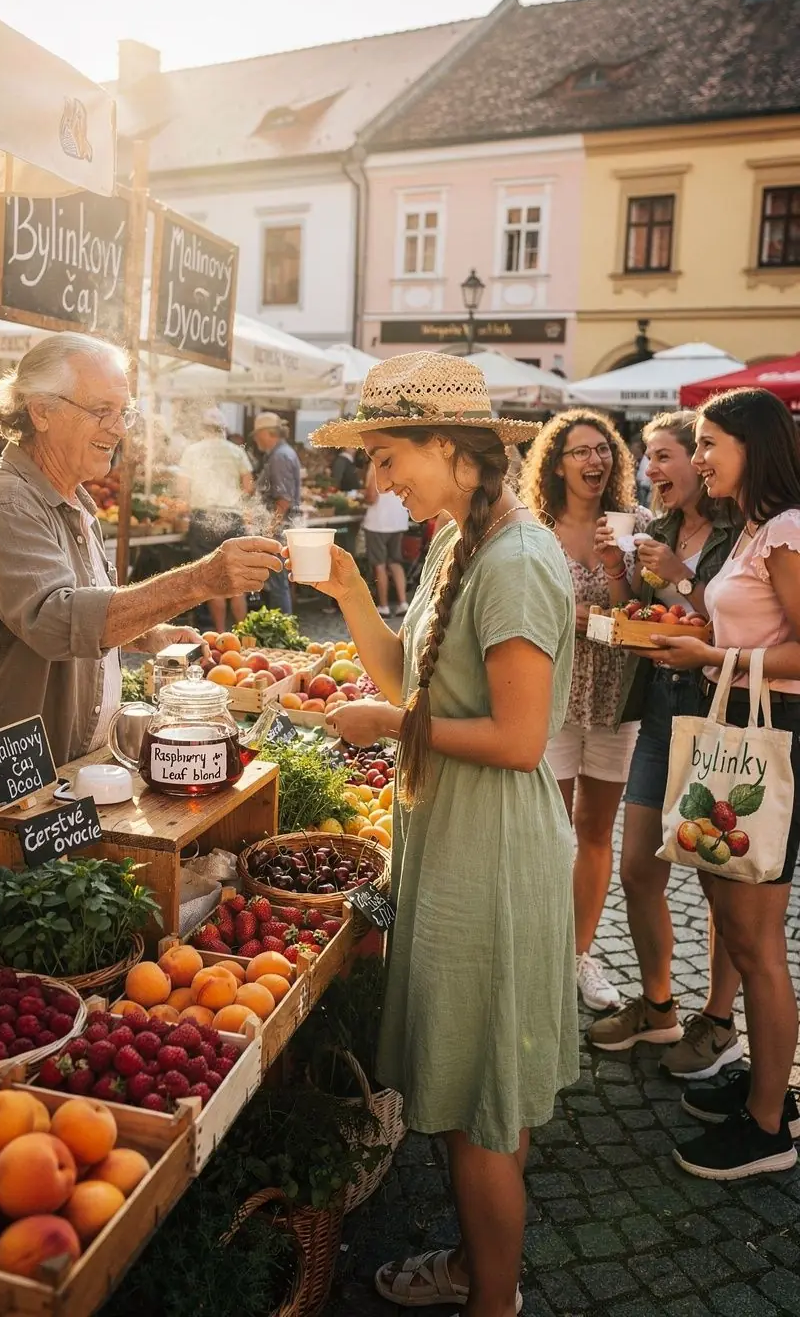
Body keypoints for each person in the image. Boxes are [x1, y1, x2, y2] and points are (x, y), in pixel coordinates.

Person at [296, 351, 578, 1317]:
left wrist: (392, 730)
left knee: (478, 1119)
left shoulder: (518, 559)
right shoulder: (462, 541)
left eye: (386, 459)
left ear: (453, 450)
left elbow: (519, 738)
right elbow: (402, 682)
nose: (373, 483)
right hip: (460, 841)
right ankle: (475, 1265)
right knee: (480, 1092)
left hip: (492, 857)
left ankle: (491, 1300)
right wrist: (346, 595)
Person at [0, 335, 283, 766]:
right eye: (100, 410)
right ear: (41, 411)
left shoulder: (75, 499)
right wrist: (199, 580)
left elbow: (82, 609)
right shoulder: (7, 500)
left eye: (123, 412)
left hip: (73, 768)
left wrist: (146, 634)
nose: (120, 428)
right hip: (24, 779)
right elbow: (56, 622)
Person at [648, 388, 800, 1179]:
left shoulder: (785, 531)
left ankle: (769, 1127)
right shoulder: (752, 529)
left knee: (757, 938)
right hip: (733, 728)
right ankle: (764, 1087)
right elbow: (748, 629)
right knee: (730, 915)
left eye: (710, 444)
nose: (698, 457)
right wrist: (690, 632)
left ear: (755, 446)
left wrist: (709, 660)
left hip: (769, 735)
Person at [586, 411, 742, 1077]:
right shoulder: (659, 529)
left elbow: (732, 619)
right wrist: (618, 573)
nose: (654, 470)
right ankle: (657, 1007)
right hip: (659, 709)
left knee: (718, 880)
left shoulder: (742, 531)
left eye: (669, 455)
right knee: (639, 871)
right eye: (649, 458)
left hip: (717, 712)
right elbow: (642, 621)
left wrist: (678, 574)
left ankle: (718, 1020)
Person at [521, 409, 650, 1012]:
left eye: (603, 450)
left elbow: (637, 622)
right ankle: (539, 950)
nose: (595, 460)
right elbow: (531, 615)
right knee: (547, 831)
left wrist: (613, 569)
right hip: (551, 694)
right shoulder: (533, 532)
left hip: (616, 700)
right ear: (556, 463)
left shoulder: (634, 526)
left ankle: (578, 954)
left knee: (595, 831)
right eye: (580, 452)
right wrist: (588, 622)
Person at [180, 408, 255, 633]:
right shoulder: (235, 451)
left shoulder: (192, 451)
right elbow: (248, 486)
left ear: (203, 428)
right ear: (223, 429)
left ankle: (222, 634)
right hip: (233, 517)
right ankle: (242, 635)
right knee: (237, 579)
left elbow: (183, 489)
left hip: (203, 518)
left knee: (214, 581)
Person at [252, 412, 301, 615]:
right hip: (281, 526)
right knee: (278, 582)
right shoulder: (280, 453)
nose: (255, 439)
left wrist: (269, 531)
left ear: (267, 433)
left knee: (278, 583)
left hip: (279, 528)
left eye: (257, 434)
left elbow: (283, 500)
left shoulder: (280, 456)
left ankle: (283, 629)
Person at [362, 464, 409, 618]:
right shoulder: (400, 460)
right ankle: (403, 603)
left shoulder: (375, 463)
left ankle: (384, 606)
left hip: (378, 522)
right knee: (395, 562)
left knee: (379, 565)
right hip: (399, 519)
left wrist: (363, 497)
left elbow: (371, 495)